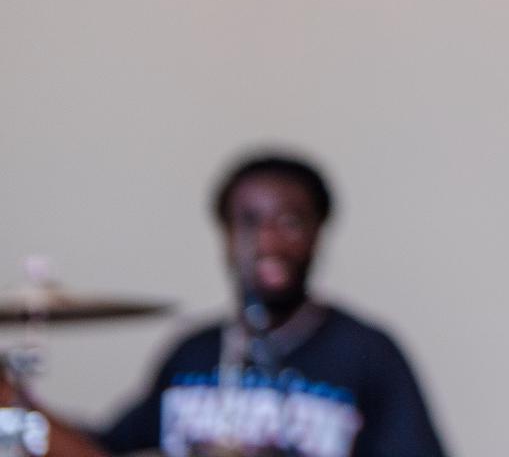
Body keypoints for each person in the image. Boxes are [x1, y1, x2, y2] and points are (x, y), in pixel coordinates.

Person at [11, 153, 446, 457]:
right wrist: (15, 405)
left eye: (290, 221)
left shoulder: (367, 354)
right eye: (249, 221)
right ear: (225, 235)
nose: (268, 240)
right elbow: (103, 450)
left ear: (318, 233)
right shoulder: (191, 354)